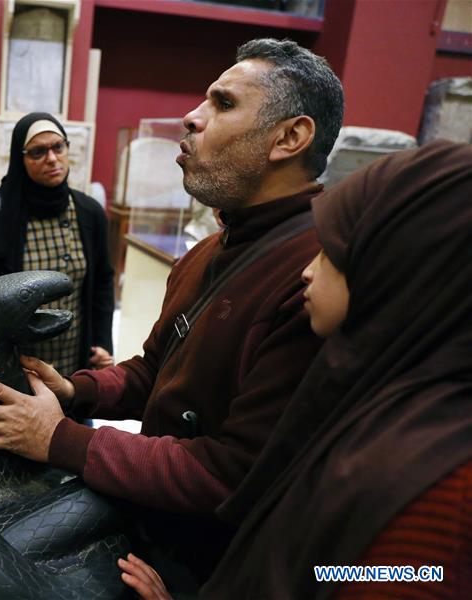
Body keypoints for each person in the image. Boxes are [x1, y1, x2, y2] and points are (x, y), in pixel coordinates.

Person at [0, 38, 344, 585]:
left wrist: (62, 439)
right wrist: (76, 392)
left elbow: (233, 473)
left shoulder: (318, 276)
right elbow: (154, 371)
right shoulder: (210, 252)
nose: (191, 117)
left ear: (290, 137)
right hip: (147, 517)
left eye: (223, 103)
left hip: (212, 564)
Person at [199, 140, 472, 599]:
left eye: (331, 253)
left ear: (396, 268)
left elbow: (378, 576)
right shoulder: (375, 388)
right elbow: (334, 572)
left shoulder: (436, 491)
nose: (308, 271)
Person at [0, 112, 115, 375]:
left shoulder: (89, 212)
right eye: (38, 152)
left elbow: (101, 284)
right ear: (21, 159)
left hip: (73, 361)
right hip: (13, 365)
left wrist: (102, 343)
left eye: (58, 147)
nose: (52, 159)